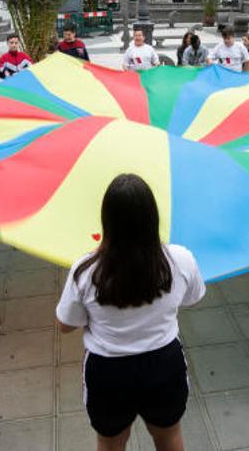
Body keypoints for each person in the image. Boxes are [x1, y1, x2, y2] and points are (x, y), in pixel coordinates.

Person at [56, 173, 205, 451]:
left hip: (108, 372)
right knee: (169, 437)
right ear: (153, 218)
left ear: (107, 221)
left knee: (110, 442)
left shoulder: (87, 271)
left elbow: (65, 324)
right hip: (164, 365)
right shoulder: (181, 260)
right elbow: (193, 299)